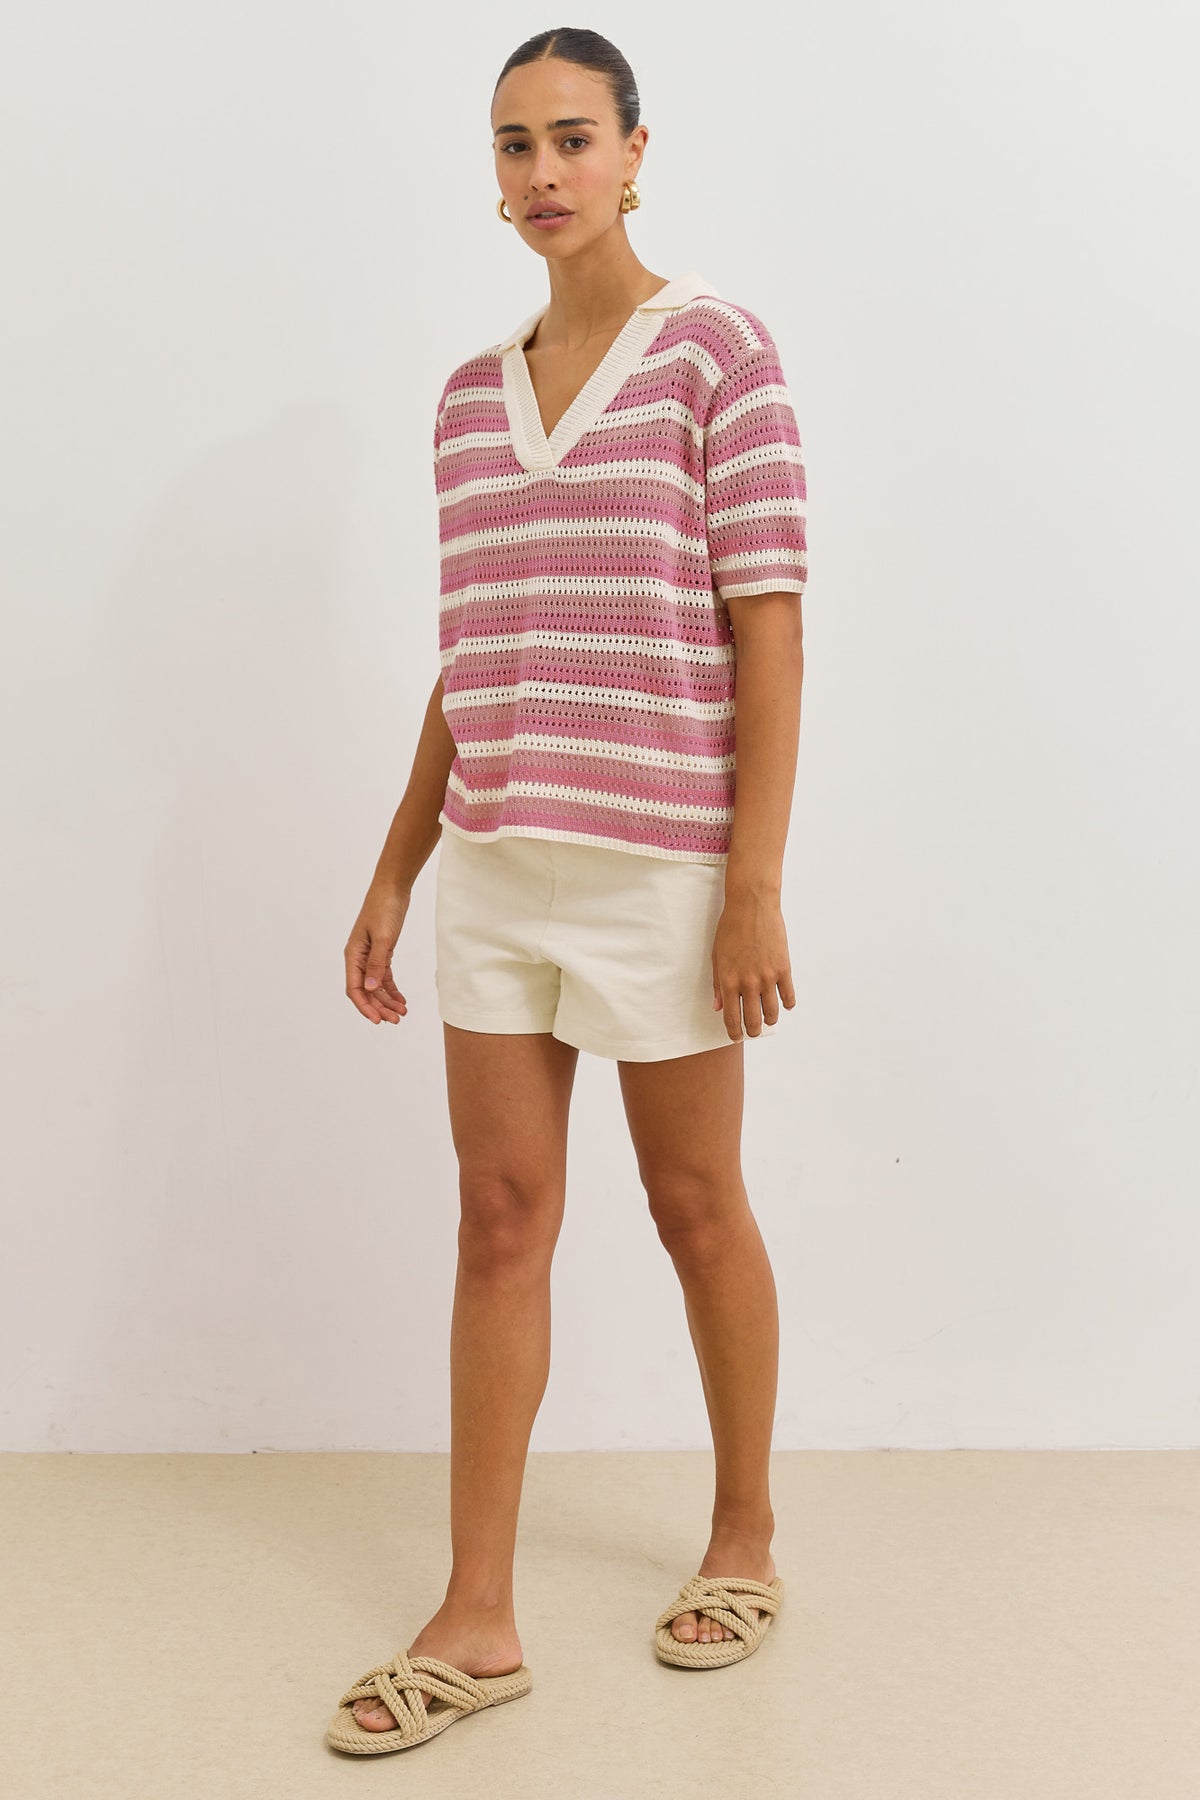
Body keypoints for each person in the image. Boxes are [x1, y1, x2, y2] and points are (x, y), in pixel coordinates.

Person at [329, 25, 808, 1756]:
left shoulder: (717, 354)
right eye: (514, 144)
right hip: (500, 870)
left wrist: (754, 881)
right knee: (499, 1221)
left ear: (634, 153)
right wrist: (399, 863)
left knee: (695, 1207)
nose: (542, 173)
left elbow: (770, 624)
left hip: (665, 866)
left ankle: (744, 1534)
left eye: (572, 139)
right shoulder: (470, 399)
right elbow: (475, 657)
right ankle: (478, 1616)